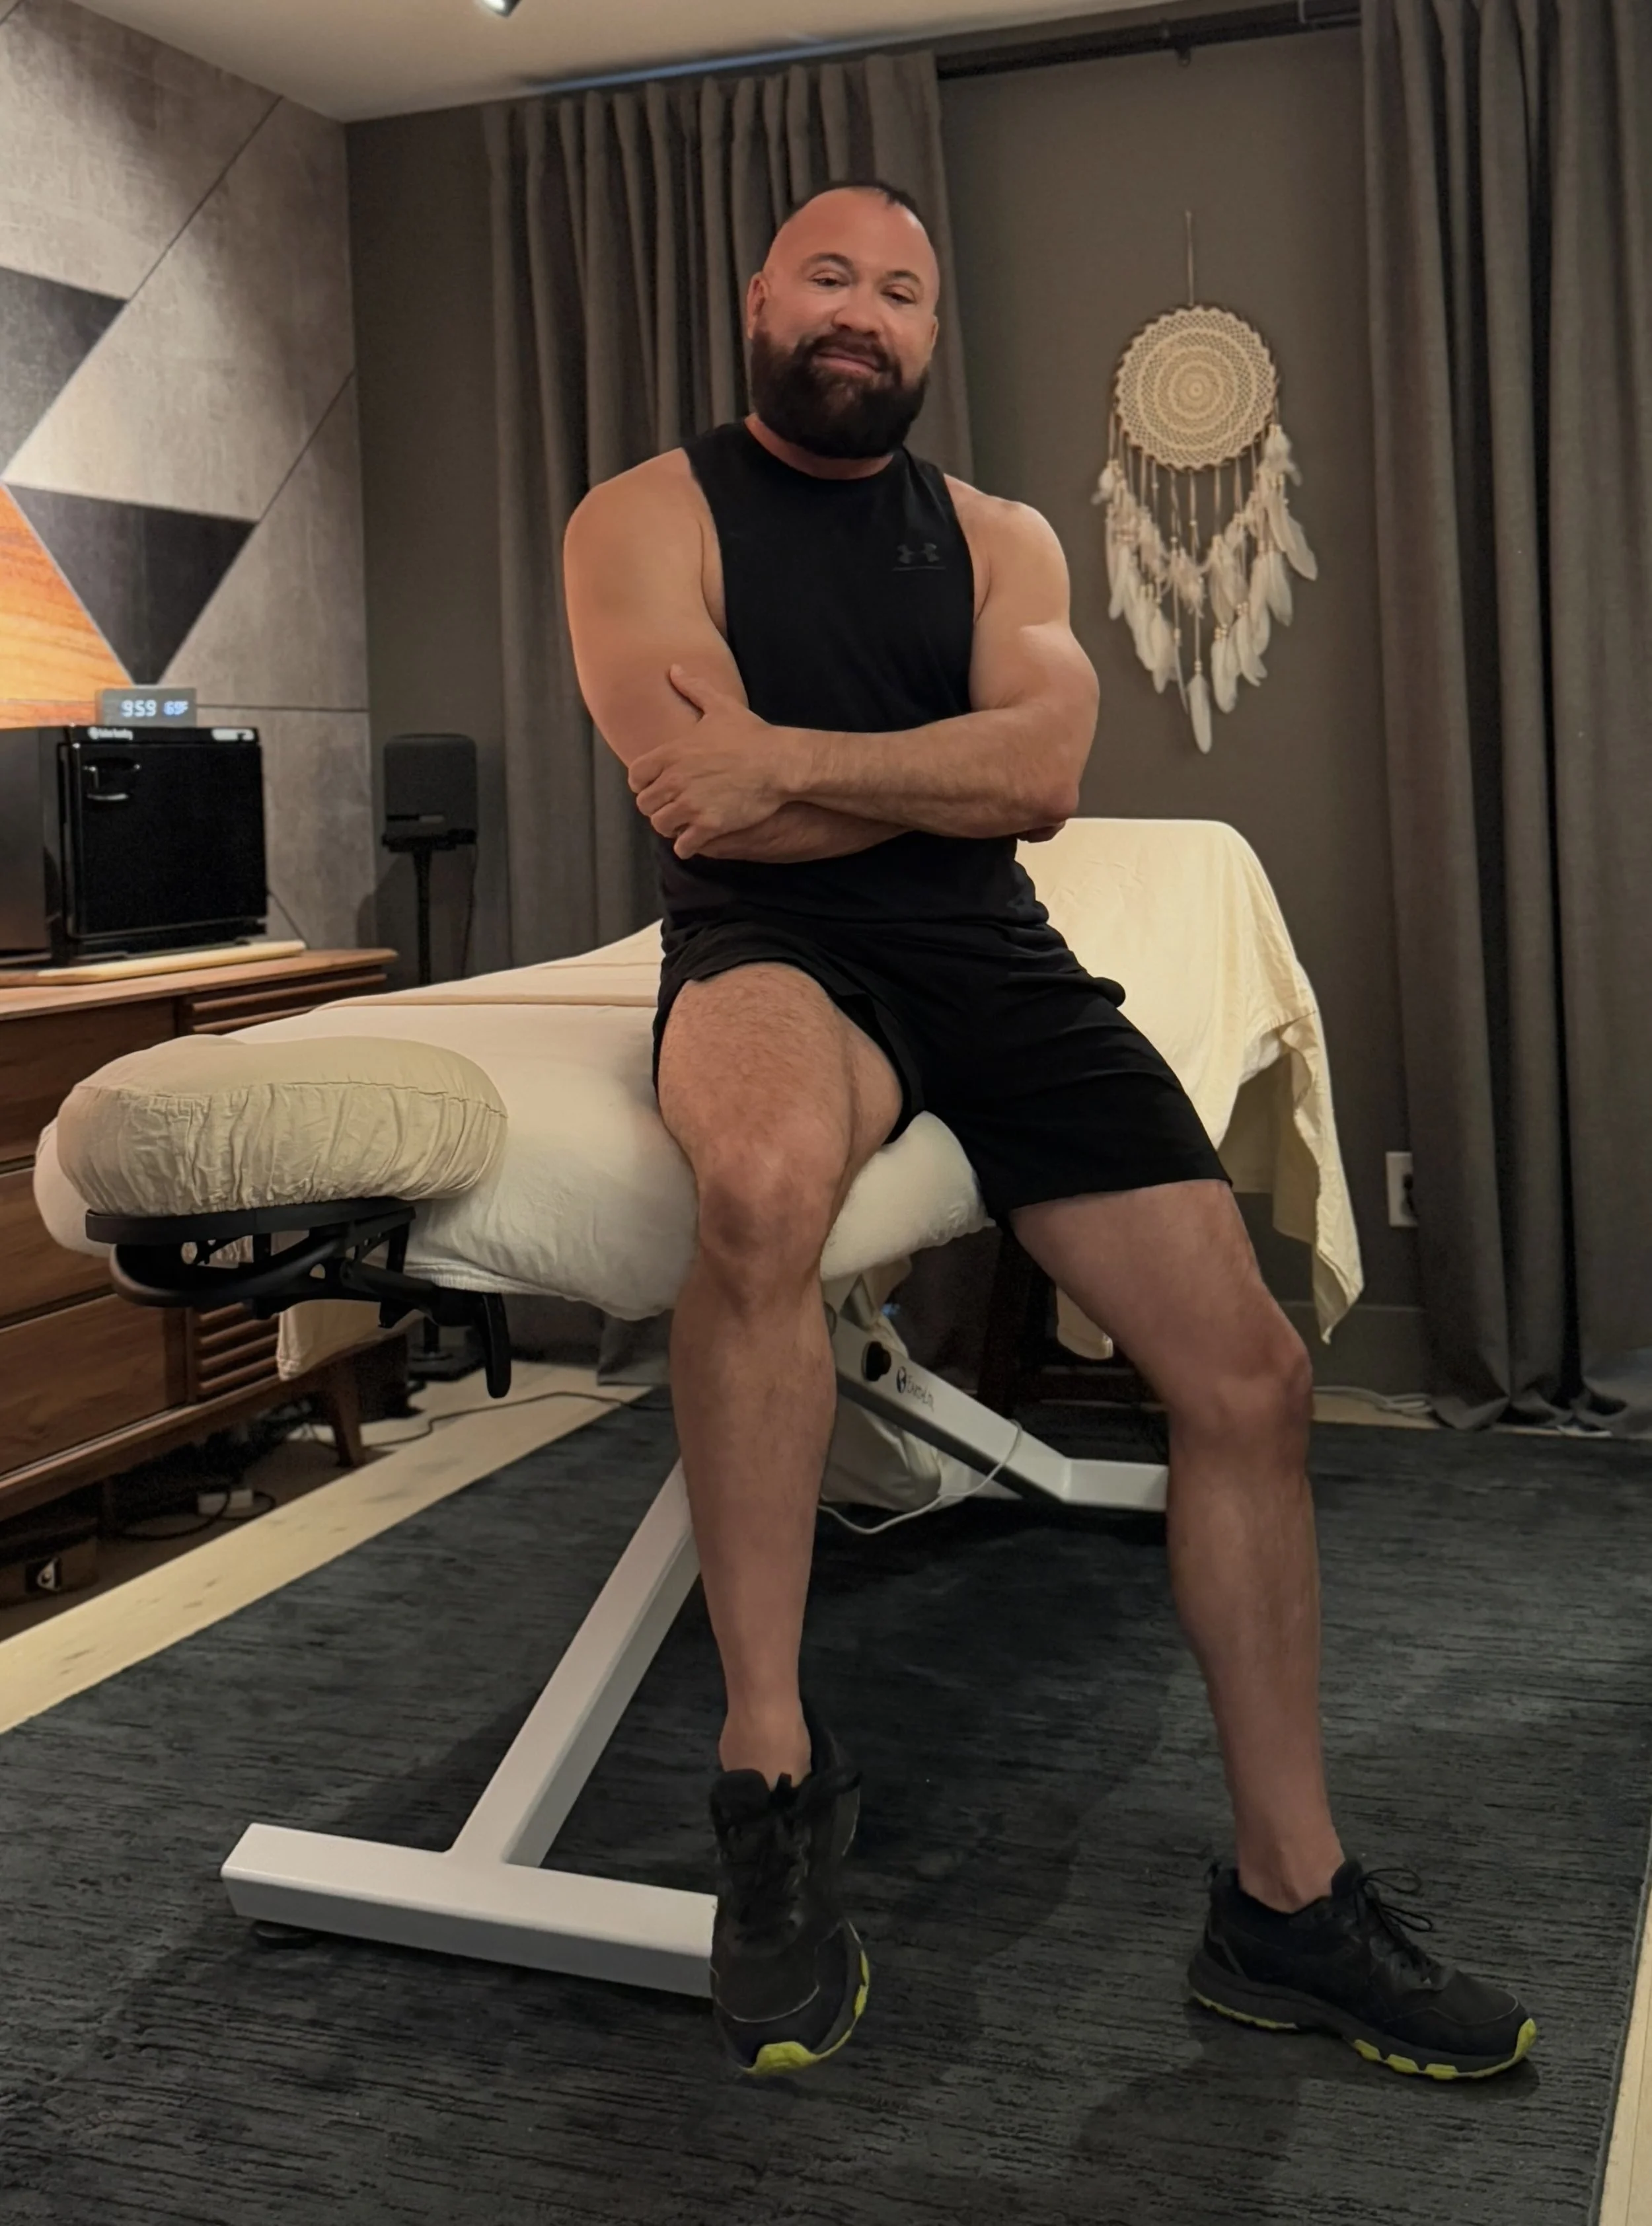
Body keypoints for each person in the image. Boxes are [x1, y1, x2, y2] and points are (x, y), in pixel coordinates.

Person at [562, 178, 1534, 2084]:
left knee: (1248, 1377)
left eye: (901, 291)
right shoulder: (647, 516)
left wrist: (791, 759)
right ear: (759, 298)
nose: (863, 313)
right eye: (829, 277)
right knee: (756, 1190)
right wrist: (901, 781)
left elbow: (1044, 773)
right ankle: (771, 1773)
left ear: (932, 335)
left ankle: (1285, 1900)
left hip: (996, 969)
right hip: (773, 953)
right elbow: (704, 807)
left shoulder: (1002, 538)